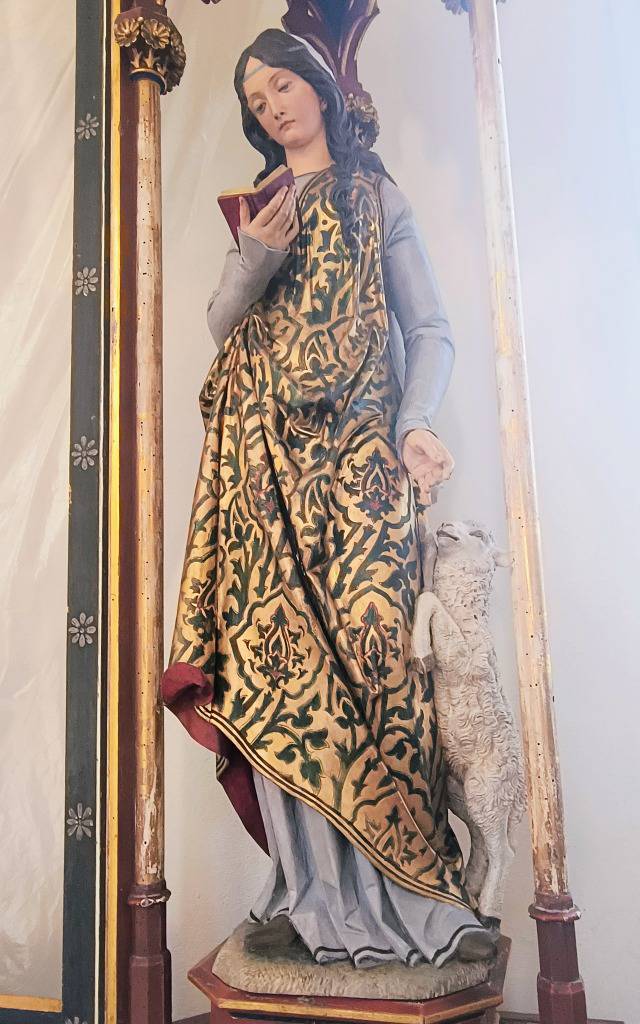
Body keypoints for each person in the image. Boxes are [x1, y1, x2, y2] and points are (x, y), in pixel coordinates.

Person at [162, 27, 496, 969]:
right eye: (255, 99)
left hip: (360, 466)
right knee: (279, 670)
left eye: (282, 85)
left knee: (381, 663)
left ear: (318, 86)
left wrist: (414, 422)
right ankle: (309, 897)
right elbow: (224, 326)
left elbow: (429, 327)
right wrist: (254, 256)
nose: (272, 106)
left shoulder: (376, 197)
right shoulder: (264, 207)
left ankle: (414, 895)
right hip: (267, 474)